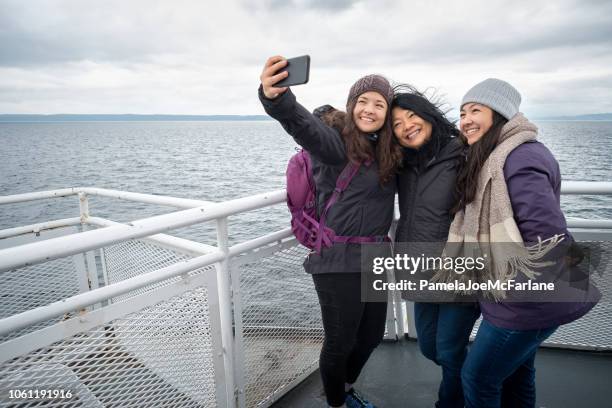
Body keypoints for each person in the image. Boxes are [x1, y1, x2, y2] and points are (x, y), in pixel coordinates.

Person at [443, 78, 600, 407]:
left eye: (476, 110)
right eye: (462, 112)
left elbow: (545, 234)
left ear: (500, 114)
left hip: (525, 300)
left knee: (478, 377)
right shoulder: (500, 153)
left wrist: (515, 291)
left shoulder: (518, 158)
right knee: (516, 372)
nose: (466, 120)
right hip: (522, 294)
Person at [259, 56, 403, 408]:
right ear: (352, 106)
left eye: (379, 104)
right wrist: (276, 98)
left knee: (369, 338)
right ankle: (338, 403)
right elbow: (302, 124)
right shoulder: (335, 143)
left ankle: (343, 387)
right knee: (340, 340)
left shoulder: (388, 151)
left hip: (375, 258)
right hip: (336, 258)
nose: (370, 109)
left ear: (387, 112)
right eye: (363, 101)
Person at [391, 86, 480, 408]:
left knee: (448, 350)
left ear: (428, 116)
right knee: (429, 347)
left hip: (457, 269)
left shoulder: (462, 153)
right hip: (417, 269)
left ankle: (453, 401)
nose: (406, 126)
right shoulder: (403, 162)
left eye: (412, 116)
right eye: (397, 123)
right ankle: (479, 376)